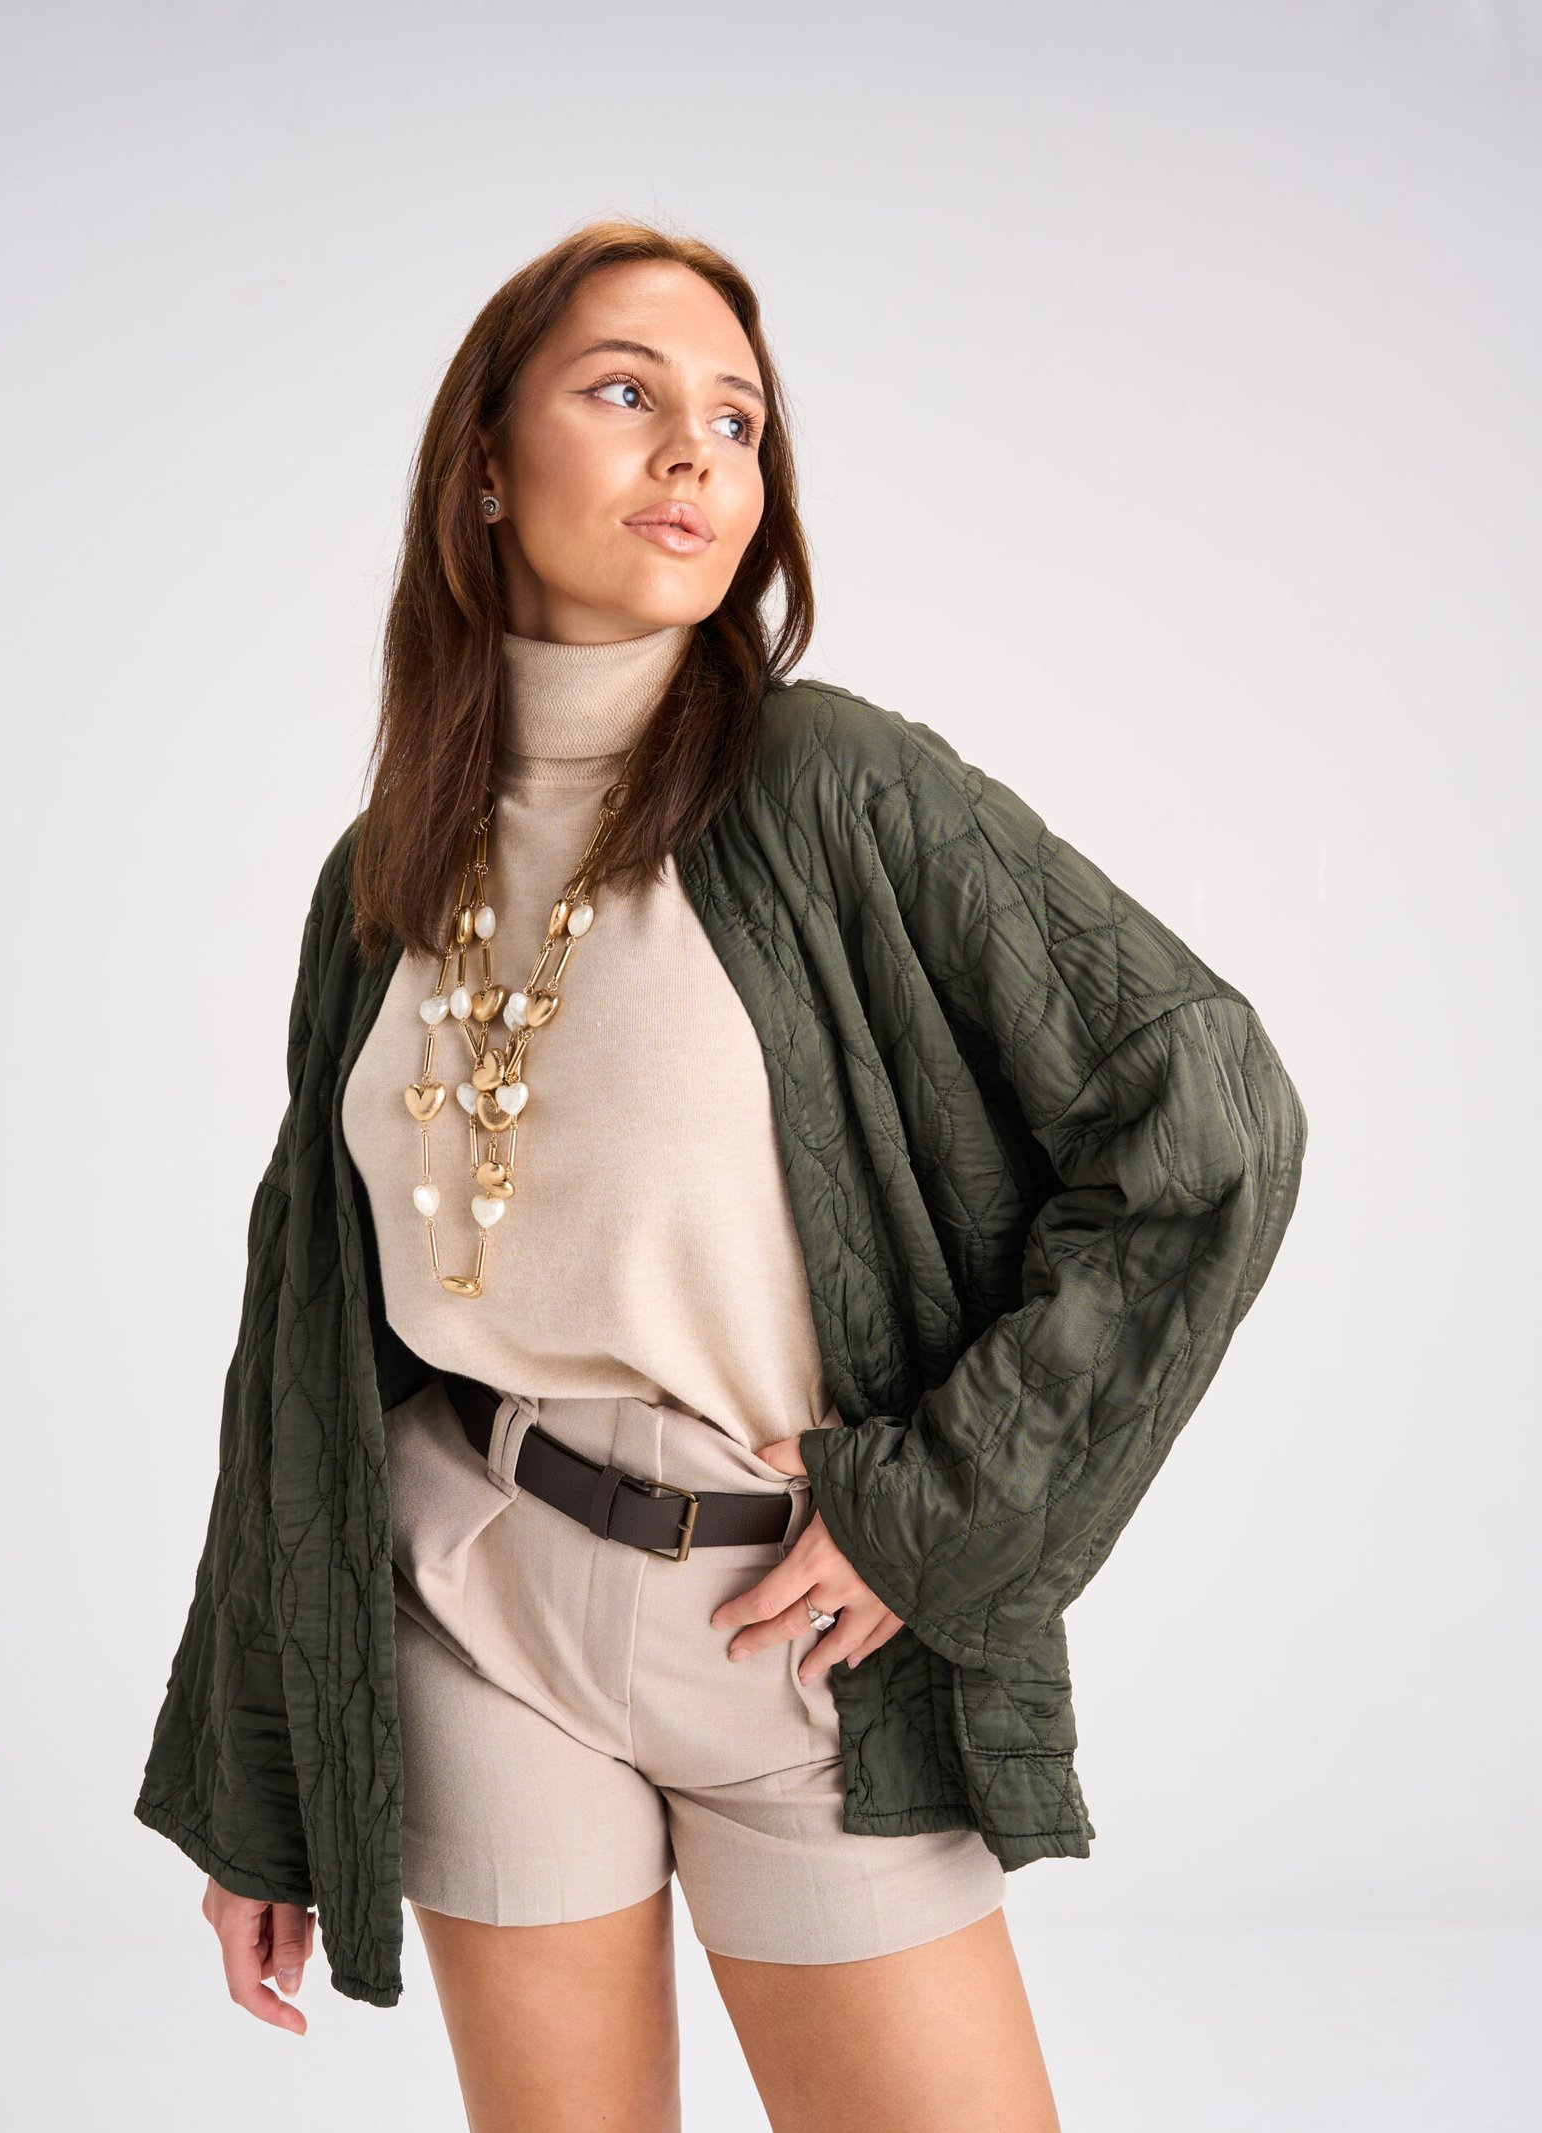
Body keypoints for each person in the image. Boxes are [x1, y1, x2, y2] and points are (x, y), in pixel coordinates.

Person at [136, 219, 1307, 2133]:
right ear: (487, 464)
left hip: (795, 1622)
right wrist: (256, 1771)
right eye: (627, 391)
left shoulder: (828, 784)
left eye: (739, 419)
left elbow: (1212, 1116)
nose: (696, 449)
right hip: (477, 1597)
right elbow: (300, 1324)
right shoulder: (385, 865)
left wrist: (943, 1507)